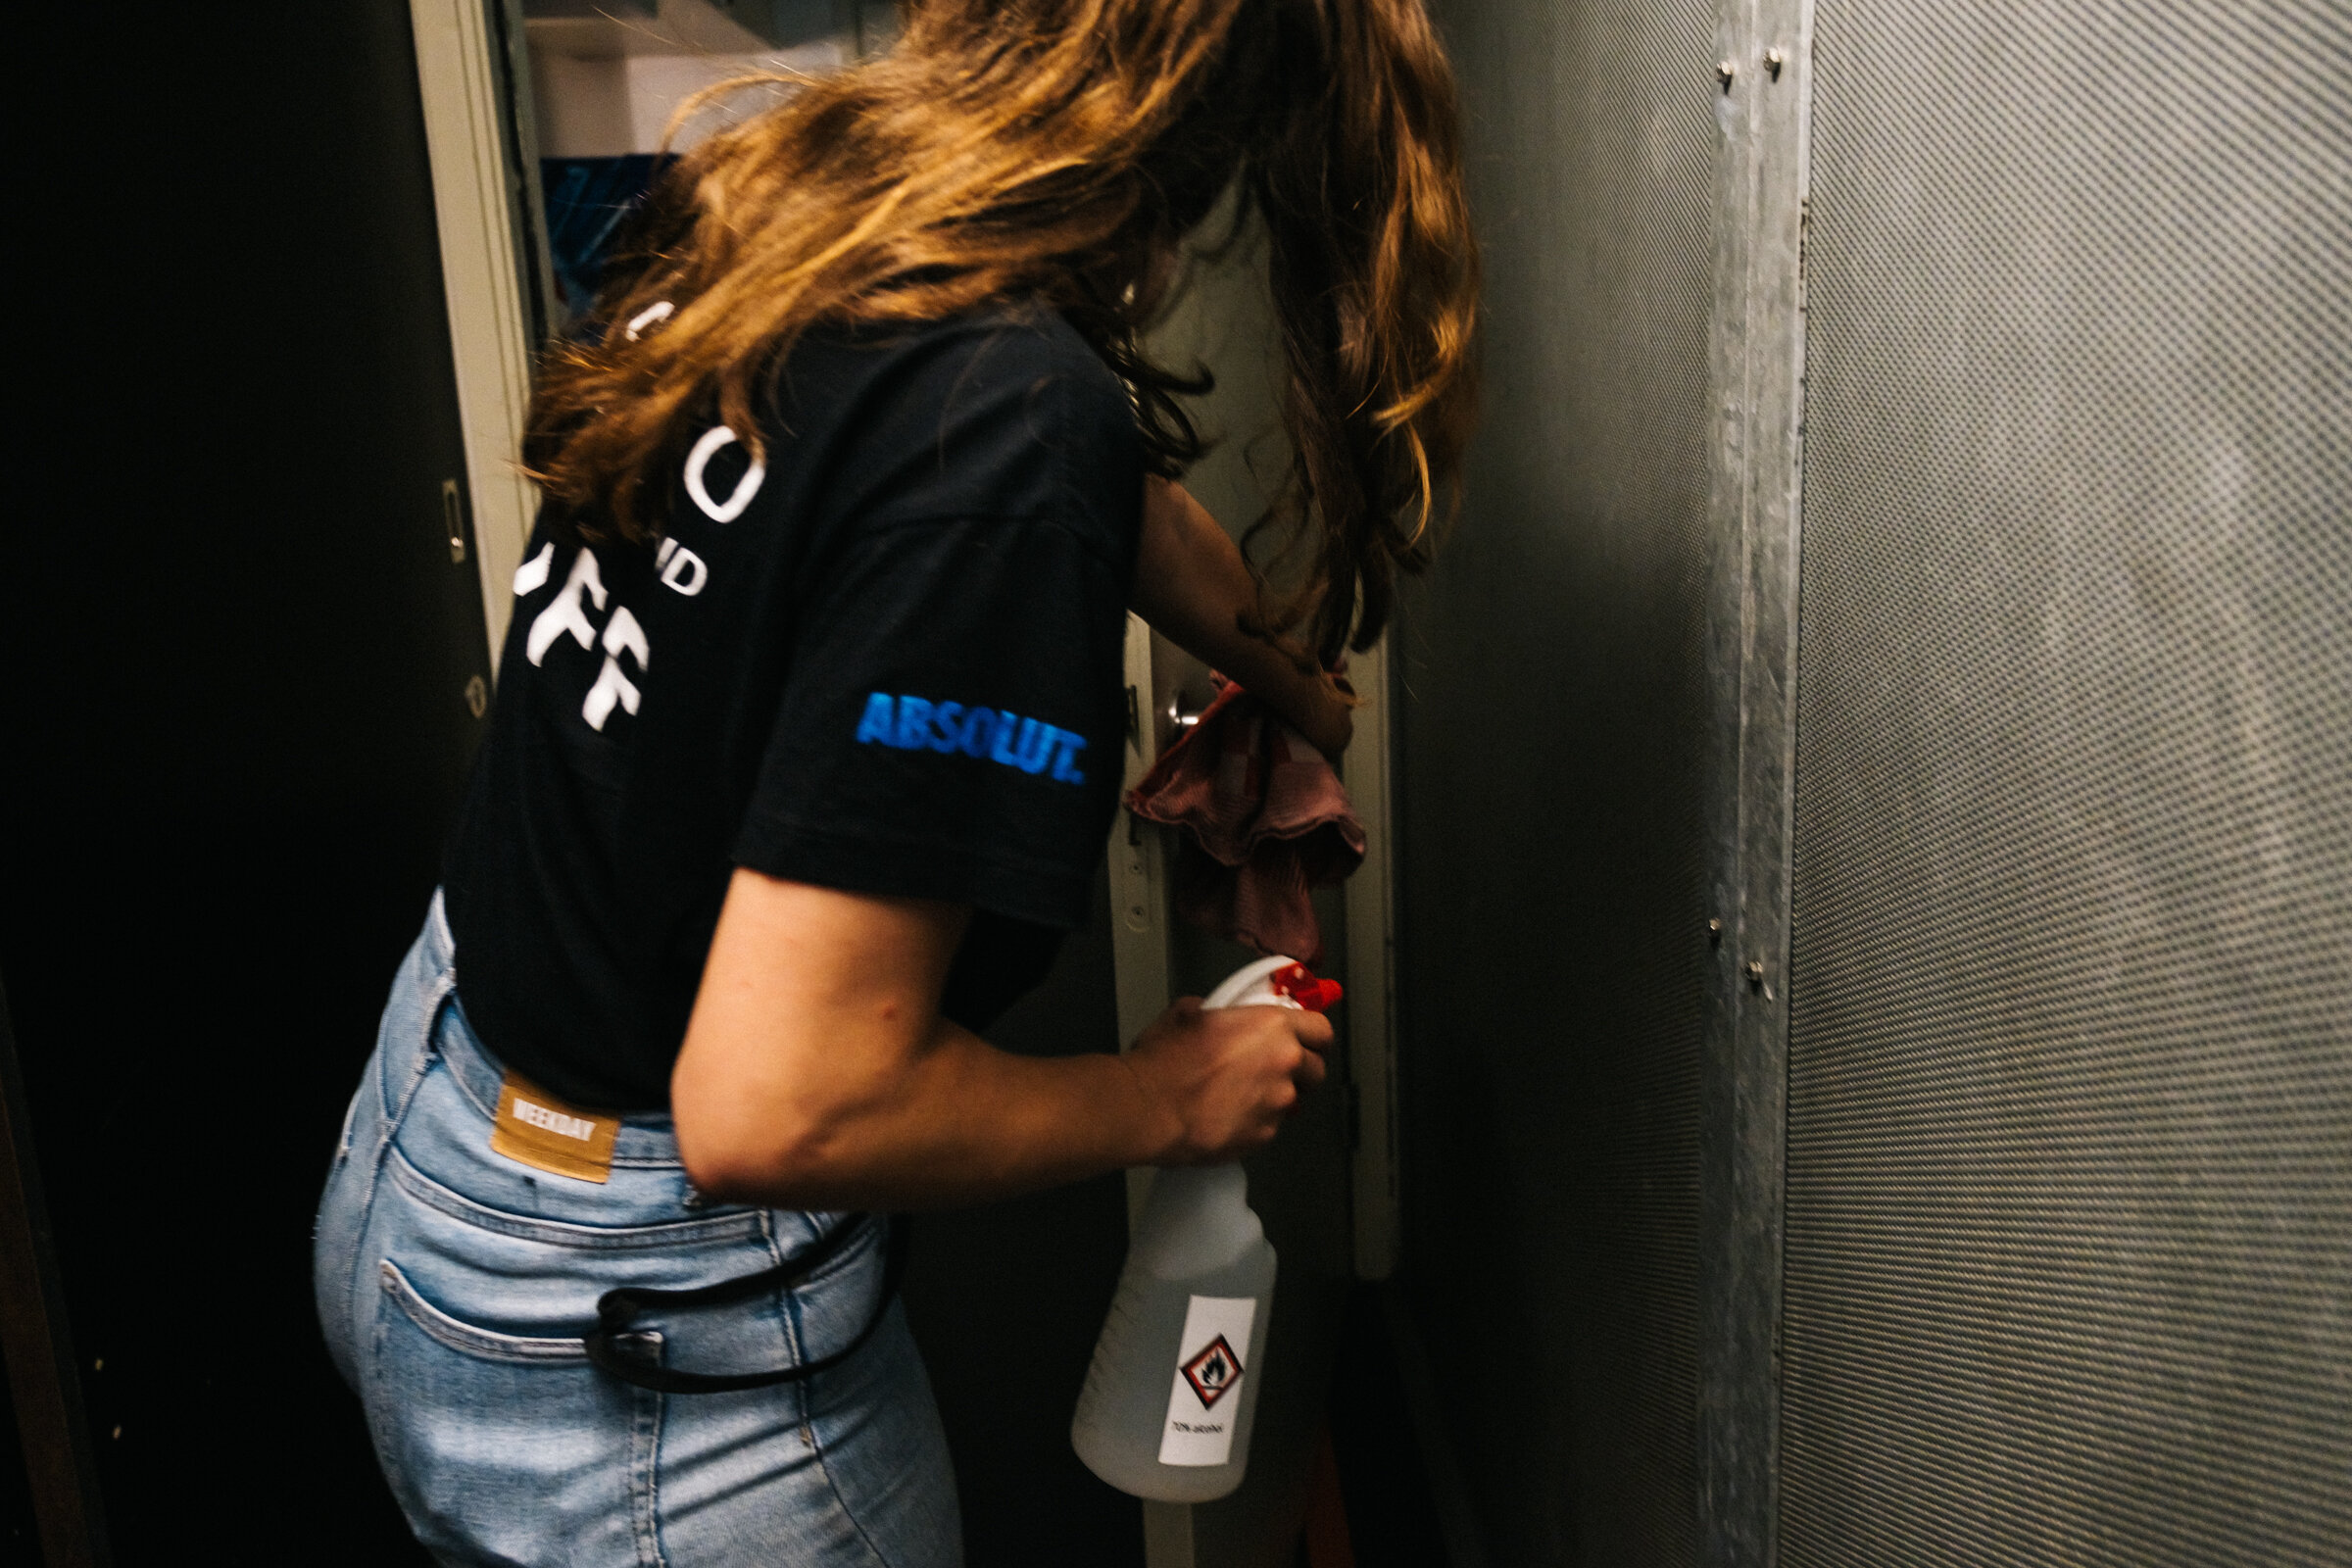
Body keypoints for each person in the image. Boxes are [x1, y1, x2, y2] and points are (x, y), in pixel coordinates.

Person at [313, 0, 1476, 1560]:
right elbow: (781, 1103)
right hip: (649, 1359)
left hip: (436, 1137)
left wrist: (1297, 691)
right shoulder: (1003, 420)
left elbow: (1118, 501)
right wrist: (1167, 1095)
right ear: (1229, 132)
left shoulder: (805, 196)